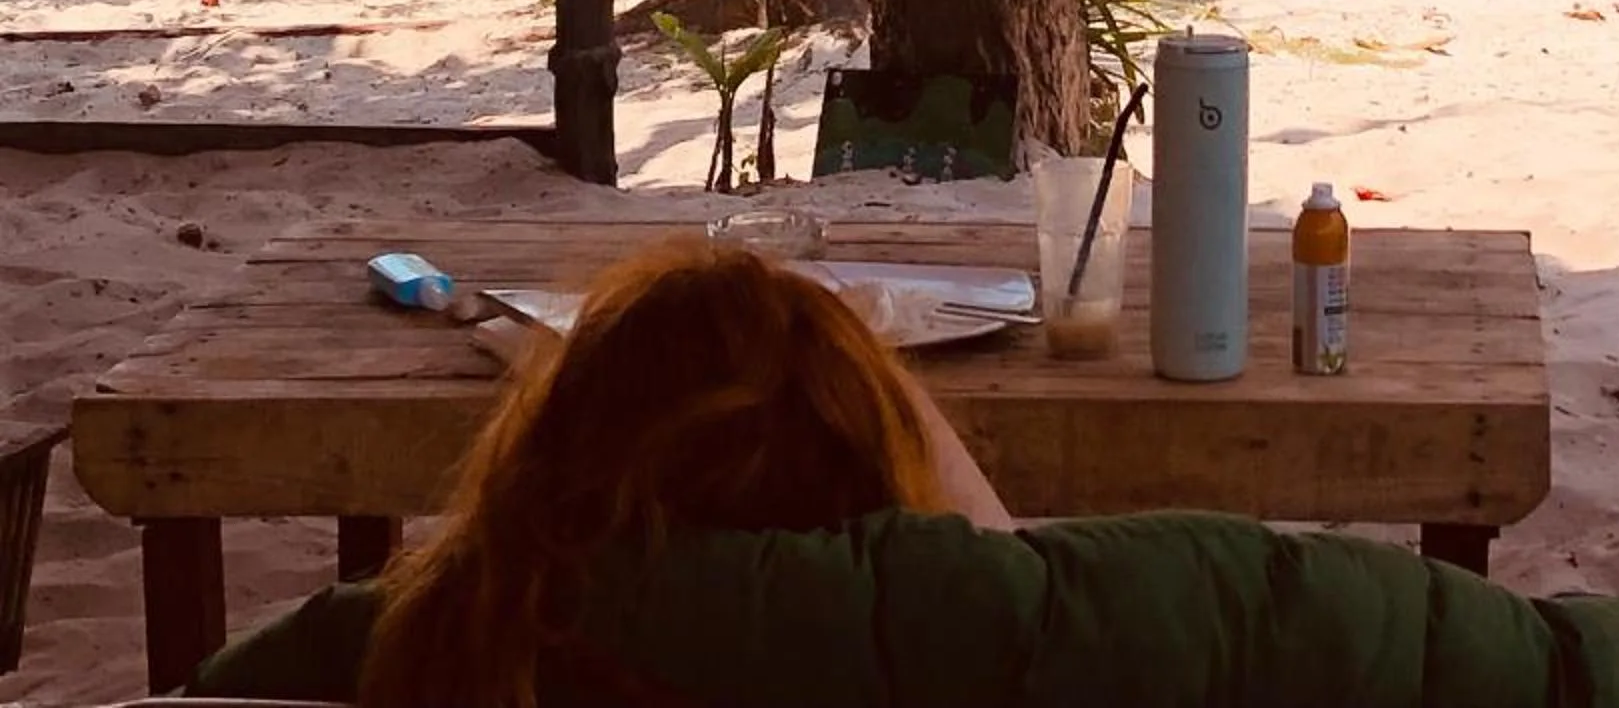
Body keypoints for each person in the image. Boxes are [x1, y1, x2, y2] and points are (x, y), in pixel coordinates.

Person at [193, 239, 1014, 708]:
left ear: (553, 454)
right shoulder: (942, 651)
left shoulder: (396, 636)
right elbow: (1012, 577)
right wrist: (850, 359)